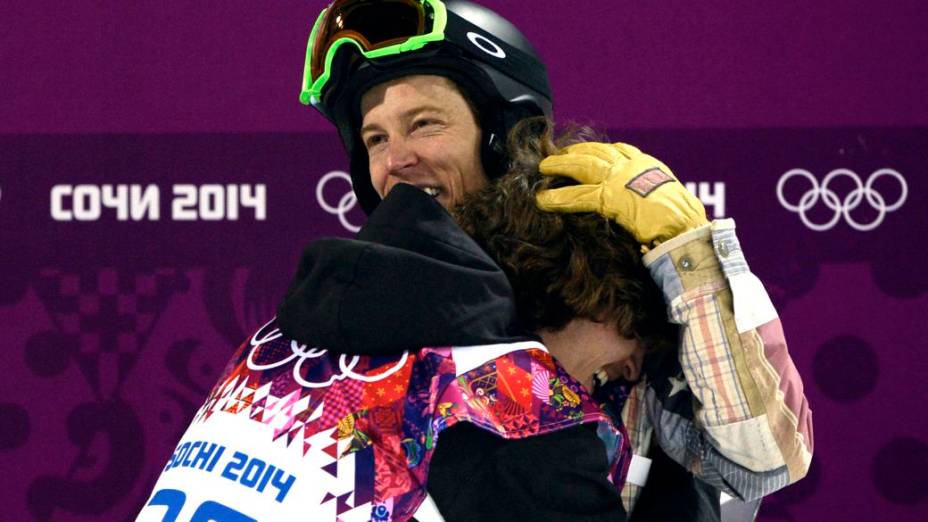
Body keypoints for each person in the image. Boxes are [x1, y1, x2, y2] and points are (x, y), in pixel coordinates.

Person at [295, 0, 813, 518]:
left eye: (425, 123)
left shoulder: (604, 270)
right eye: (375, 138)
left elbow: (762, 461)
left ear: (504, 134)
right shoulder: (365, 302)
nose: (395, 161)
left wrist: (690, 250)